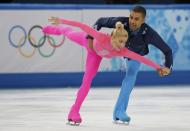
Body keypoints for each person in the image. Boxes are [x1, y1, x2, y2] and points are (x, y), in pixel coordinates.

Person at [43, 15, 163, 125]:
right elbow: (82, 26)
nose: (123, 45)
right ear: (113, 37)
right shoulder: (101, 37)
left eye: (125, 42)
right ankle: (54, 29)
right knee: (68, 32)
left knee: (88, 80)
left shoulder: (122, 50)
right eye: (121, 42)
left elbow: (140, 58)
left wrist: (158, 68)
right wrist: (62, 21)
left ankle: (73, 112)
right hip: (87, 44)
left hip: (96, 56)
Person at [87, 5, 173, 123]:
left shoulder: (149, 33)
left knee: (131, 77)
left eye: (136, 19)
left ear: (143, 20)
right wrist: (90, 38)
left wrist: (167, 67)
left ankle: (119, 112)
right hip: (117, 49)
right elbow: (100, 21)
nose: (132, 21)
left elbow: (167, 51)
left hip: (135, 56)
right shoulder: (122, 22)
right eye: (131, 17)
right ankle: (118, 112)